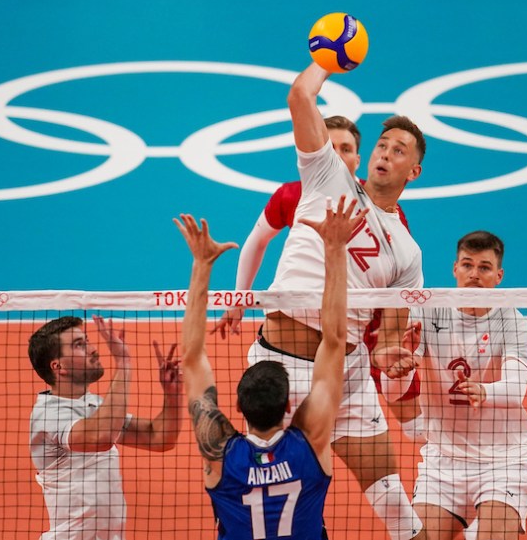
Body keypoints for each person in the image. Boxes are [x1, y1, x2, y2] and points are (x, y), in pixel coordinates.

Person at [249, 60, 429, 540]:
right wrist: (326, 61)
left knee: (394, 500)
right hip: (280, 368)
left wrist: (392, 355)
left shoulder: (408, 252)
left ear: (414, 171)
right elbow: (299, 97)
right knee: (273, 504)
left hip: (346, 373)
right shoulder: (327, 174)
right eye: (382, 144)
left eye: (400, 150)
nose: (385, 153)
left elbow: (390, 333)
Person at [212, 114, 424, 442]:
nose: (337, 154)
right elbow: (256, 241)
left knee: (396, 393)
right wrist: (240, 298)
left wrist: (389, 339)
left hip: (353, 335)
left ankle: (431, 440)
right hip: (292, 341)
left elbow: (395, 282)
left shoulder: (394, 225)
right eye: (331, 146)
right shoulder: (297, 193)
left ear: (356, 157)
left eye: (346, 148)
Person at [176, 197, 362, 539]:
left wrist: (202, 265)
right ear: (290, 406)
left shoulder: (219, 451)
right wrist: (335, 249)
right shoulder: (311, 441)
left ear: (237, 408)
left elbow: (191, 358)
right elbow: (334, 340)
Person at [380, 231, 527, 540]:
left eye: (484, 268)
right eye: (467, 265)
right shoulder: (426, 312)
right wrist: (397, 372)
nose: (474, 275)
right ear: (455, 269)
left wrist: (486, 390)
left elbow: (516, 387)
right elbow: (394, 393)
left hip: (504, 462)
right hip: (443, 463)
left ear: (499, 276)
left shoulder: (514, 322)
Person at [28, 315, 184, 540]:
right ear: (58, 366)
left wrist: (172, 395)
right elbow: (102, 436)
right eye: (79, 345)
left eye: (87, 341)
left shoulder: (94, 406)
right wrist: (123, 362)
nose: (92, 349)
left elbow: (157, 438)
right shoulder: (48, 415)